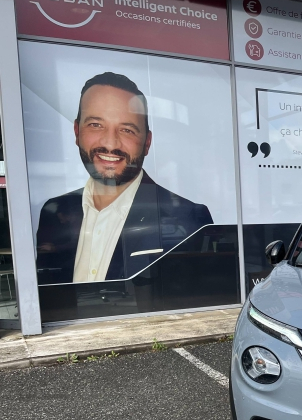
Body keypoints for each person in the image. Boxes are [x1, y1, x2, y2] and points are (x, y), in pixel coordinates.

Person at [36, 72, 213, 284]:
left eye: (127, 130)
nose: (111, 143)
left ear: (147, 143)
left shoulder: (190, 219)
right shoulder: (54, 211)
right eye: (96, 125)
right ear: (76, 131)